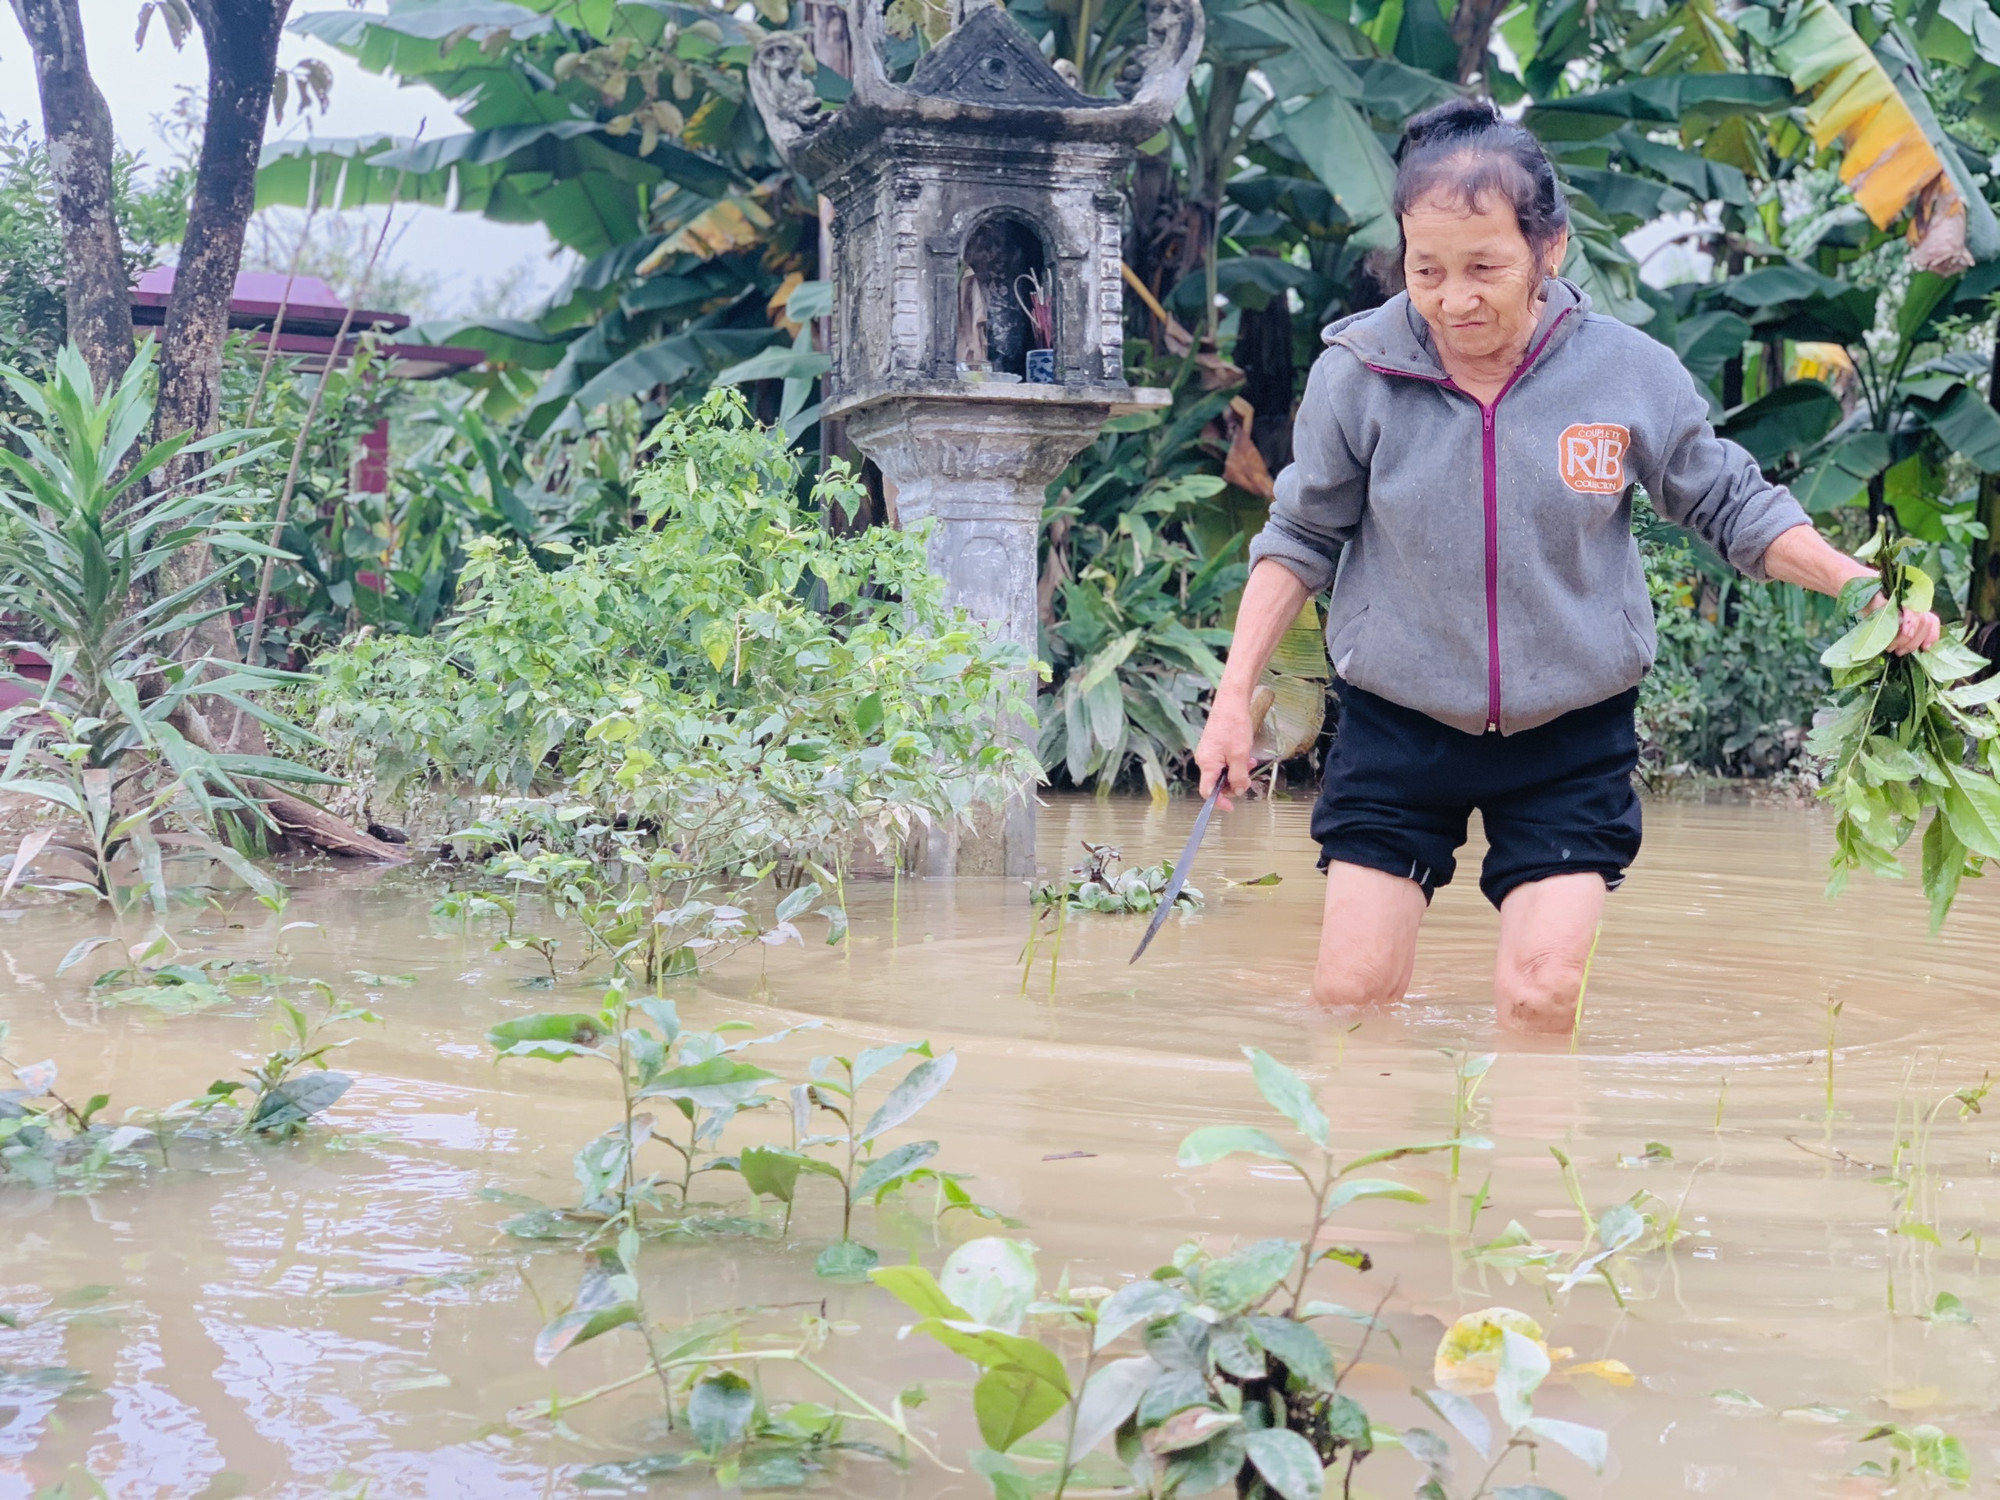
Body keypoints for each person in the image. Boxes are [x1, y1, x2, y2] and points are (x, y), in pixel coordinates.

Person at [1193, 97, 1941, 1033]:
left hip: (1569, 736)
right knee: (1351, 1000)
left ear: (1548, 250)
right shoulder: (1359, 373)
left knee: (1540, 1000)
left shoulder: (1628, 373)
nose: (1454, 299)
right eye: (1427, 270)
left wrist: (1855, 584)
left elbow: (1730, 502)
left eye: (1484, 268)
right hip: (1401, 725)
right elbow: (1300, 538)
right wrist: (1233, 702)